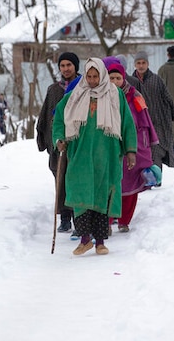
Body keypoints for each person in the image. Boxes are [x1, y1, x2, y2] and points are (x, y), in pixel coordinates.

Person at [53, 58, 137, 256]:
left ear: (102, 75)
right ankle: (84, 240)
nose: (91, 80)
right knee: (80, 193)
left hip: (106, 154)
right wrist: (59, 139)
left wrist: (130, 150)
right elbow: (58, 119)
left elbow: (127, 123)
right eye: (89, 76)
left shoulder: (115, 95)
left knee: (101, 193)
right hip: (79, 154)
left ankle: (100, 242)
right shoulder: (74, 95)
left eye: (95, 76)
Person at [107, 63, 156, 233]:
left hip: (132, 145)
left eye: (118, 78)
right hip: (110, 147)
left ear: (124, 78)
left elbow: (144, 120)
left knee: (129, 184)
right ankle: (108, 220)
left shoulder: (134, 95)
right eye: (111, 78)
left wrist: (144, 143)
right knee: (110, 185)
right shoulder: (101, 96)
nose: (114, 81)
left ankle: (124, 220)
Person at [36, 52, 80, 234]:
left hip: (78, 143)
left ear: (75, 66)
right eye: (62, 65)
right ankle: (65, 218)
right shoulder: (54, 89)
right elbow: (46, 114)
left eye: (69, 65)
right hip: (58, 143)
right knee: (60, 179)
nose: (66, 69)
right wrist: (45, 137)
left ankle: (80, 220)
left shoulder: (83, 87)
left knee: (77, 181)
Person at [132, 51, 174, 183]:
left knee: (156, 151)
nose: (141, 66)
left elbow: (167, 96)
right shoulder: (132, 82)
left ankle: (156, 179)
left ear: (148, 64)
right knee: (143, 151)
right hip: (140, 122)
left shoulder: (156, 79)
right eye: (138, 63)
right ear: (134, 64)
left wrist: (173, 113)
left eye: (143, 63)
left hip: (157, 121)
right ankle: (144, 180)